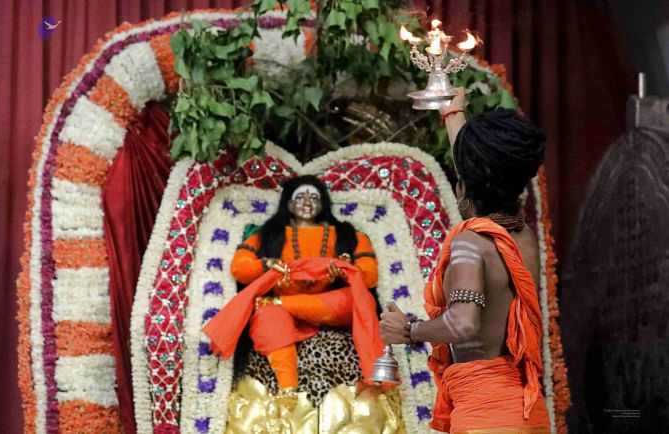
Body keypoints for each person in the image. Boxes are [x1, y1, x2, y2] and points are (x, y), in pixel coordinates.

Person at [379, 89, 551, 433]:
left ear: (464, 187)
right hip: (526, 411)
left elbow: (463, 323)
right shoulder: (522, 235)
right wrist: (452, 115)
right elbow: (485, 173)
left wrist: (409, 330)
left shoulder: (471, 243)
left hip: (486, 417)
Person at [202, 175, 383, 403]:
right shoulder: (270, 233)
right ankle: (288, 389)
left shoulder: (347, 234)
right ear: (289, 203)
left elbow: (370, 276)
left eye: (313, 197)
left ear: (323, 203)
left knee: (359, 299)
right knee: (266, 315)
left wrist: (348, 269)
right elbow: (239, 267)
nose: (307, 202)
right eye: (300, 197)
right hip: (281, 305)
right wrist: (266, 264)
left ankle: (281, 304)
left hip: (329, 306)